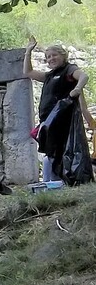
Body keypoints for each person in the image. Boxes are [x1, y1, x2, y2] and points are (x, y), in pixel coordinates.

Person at [24, 37, 90, 182]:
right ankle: (50, 183)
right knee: (50, 154)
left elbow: (84, 76)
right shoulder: (49, 75)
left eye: (54, 55)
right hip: (48, 120)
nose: (51, 59)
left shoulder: (68, 69)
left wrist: (77, 89)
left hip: (62, 120)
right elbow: (28, 72)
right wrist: (28, 51)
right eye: (48, 57)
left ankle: (57, 182)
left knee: (57, 153)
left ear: (63, 56)